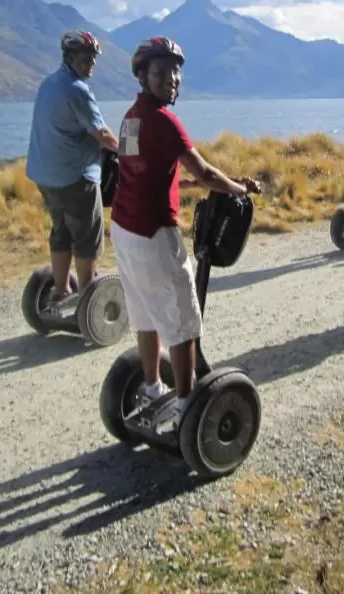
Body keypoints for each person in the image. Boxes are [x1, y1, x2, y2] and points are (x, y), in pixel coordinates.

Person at [110, 36, 261, 431]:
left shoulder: (131, 118)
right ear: (143, 75)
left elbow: (150, 174)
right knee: (183, 321)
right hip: (153, 233)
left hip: (124, 232)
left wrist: (221, 184)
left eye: (175, 72)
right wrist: (238, 188)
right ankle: (184, 405)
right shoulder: (163, 120)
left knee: (144, 313)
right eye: (161, 72)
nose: (172, 79)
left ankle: (152, 387)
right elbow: (204, 171)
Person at [25, 30, 119, 311]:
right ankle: (88, 301)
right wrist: (130, 150)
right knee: (88, 236)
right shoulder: (77, 89)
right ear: (69, 57)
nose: (91, 62)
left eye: (93, 57)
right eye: (85, 57)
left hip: (45, 175)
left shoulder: (49, 83)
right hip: (74, 175)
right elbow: (102, 133)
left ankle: (61, 289)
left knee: (62, 230)